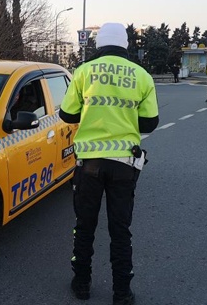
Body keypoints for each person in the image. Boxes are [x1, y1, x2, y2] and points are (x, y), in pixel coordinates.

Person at [60, 22, 159, 305]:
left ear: (99, 44)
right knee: (120, 230)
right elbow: (151, 122)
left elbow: (68, 115)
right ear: (125, 45)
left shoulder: (83, 71)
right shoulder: (142, 76)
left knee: (85, 226)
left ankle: (81, 283)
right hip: (124, 165)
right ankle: (122, 293)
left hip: (89, 164)